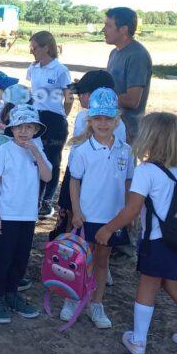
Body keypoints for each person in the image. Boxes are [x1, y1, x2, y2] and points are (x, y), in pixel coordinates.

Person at [95, 112, 177, 354]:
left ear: (150, 138)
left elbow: (132, 209)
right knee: (172, 284)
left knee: (147, 285)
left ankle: (138, 341)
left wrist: (108, 228)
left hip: (157, 241)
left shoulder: (146, 172)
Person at [64, 88, 134, 327]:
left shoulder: (126, 151)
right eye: (98, 119)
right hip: (87, 216)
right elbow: (74, 181)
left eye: (108, 119)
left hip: (112, 218)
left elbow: (127, 182)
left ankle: (97, 303)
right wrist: (76, 210)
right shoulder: (82, 151)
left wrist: (127, 213)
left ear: (116, 121)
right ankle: (72, 298)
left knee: (103, 260)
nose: (103, 124)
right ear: (90, 121)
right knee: (83, 259)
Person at [0, 104, 52, 324]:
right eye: (19, 127)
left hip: (28, 216)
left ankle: (12, 293)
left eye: (29, 127)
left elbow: (48, 177)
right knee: (3, 257)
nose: (23, 131)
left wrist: (35, 152)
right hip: (7, 215)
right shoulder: (5, 150)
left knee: (20, 258)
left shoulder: (37, 151)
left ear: (35, 130)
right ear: (11, 129)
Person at [52, 70, 126, 239]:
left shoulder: (87, 117)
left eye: (82, 93)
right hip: (83, 172)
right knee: (72, 214)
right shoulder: (109, 121)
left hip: (90, 174)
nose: (79, 97)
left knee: (76, 216)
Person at [27, 31, 73, 217]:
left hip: (54, 121)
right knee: (34, 156)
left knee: (52, 159)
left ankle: (46, 200)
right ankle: (34, 197)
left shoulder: (60, 70)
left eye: (34, 48)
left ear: (46, 48)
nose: (32, 52)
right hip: (36, 118)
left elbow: (68, 97)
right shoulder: (33, 68)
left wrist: (62, 116)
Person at [103, 7, 152, 142]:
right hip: (110, 125)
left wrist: (100, 97)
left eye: (108, 26)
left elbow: (132, 100)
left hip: (127, 131)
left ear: (123, 29)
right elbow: (111, 87)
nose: (103, 29)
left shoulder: (137, 56)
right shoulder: (114, 53)